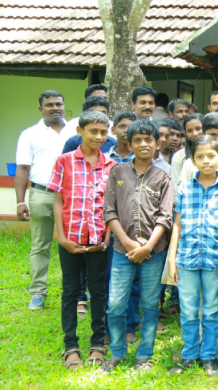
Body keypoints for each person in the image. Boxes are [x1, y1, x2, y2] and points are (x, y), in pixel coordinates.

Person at [98, 119, 174, 374]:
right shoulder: (117, 172)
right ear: (129, 145)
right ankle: (117, 352)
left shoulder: (163, 176)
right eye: (137, 140)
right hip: (123, 251)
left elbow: (165, 216)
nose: (143, 144)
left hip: (154, 252)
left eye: (148, 140)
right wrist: (129, 243)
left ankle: (144, 355)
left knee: (150, 304)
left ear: (157, 144)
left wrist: (148, 246)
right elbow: (109, 211)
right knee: (115, 304)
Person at [50, 110, 116, 370]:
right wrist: (61, 237)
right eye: (93, 131)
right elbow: (58, 201)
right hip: (71, 238)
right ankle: (71, 346)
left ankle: (98, 343)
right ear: (80, 131)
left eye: (103, 132)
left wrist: (107, 238)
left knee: (99, 290)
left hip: (99, 240)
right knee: (70, 290)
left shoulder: (111, 166)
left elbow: (112, 206)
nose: (99, 137)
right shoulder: (64, 161)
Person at [167, 135, 218, 377]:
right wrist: (172, 260)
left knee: (212, 309)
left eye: (211, 156)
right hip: (187, 259)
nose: (206, 161)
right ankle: (189, 354)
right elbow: (177, 225)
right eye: (200, 157)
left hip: (214, 259)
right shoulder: (185, 187)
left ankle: (209, 355)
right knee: (189, 309)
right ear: (192, 160)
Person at [15, 90, 71, 309]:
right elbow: (22, 168)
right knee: (40, 245)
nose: (55, 108)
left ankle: (75, 291)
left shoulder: (75, 130)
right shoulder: (29, 134)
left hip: (71, 195)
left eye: (58, 104)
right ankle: (38, 292)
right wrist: (20, 201)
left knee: (74, 242)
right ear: (41, 109)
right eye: (49, 105)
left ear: (64, 106)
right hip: (42, 194)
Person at [171, 113, 204, 194]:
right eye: (189, 131)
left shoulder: (215, 153)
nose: (195, 133)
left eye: (198, 129)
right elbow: (176, 188)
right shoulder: (179, 156)